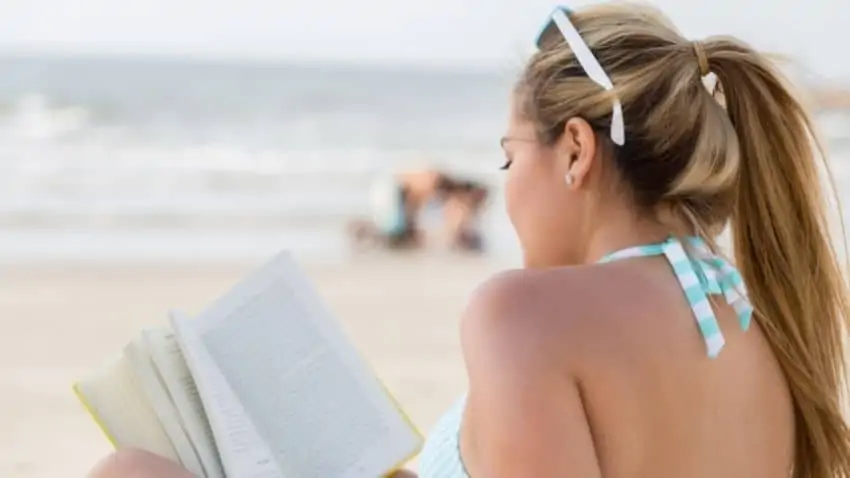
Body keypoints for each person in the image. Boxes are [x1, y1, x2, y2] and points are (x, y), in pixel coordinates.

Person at [87, 3, 850, 478]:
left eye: (509, 157)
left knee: (130, 471)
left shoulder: (525, 315)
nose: (507, 185)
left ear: (577, 152)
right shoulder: (754, 318)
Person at [348, 169, 489, 252]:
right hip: (393, 191)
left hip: (390, 188)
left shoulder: (442, 184)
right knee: (395, 230)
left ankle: (364, 232)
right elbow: (415, 201)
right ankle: (361, 230)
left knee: (399, 230)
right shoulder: (437, 182)